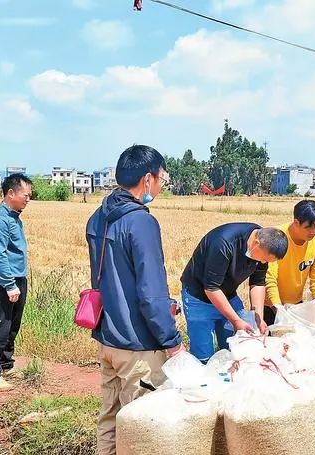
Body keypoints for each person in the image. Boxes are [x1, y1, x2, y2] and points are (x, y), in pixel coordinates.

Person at [86, 145, 184, 455]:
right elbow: (150, 292)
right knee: (145, 431)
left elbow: (108, 279)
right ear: (146, 179)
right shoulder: (141, 222)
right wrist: (172, 342)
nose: (161, 184)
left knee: (111, 420)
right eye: (161, 178)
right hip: (137, 346)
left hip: (108, 339)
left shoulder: (97, 217)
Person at [181, 223, 288, 362]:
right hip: (199, 297)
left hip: (228, 294)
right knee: (204, 355)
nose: (263, 262)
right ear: (256, 243)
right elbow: (211, 288)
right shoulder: (223, 243)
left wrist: (258, 317)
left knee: (235, 349)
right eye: (263, 259)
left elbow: (258, 282)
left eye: (266, 261)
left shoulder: (264, 245)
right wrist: (236, 320)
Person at [0, 174, 32, 392]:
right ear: (11, 193)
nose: (28, 199)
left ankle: (5, 364)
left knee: (12, 326)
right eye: (25, 195)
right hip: (3, 283)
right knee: (0, 326)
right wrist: (10, 284)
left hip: (17, 279)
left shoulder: (13, 217)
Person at [264, 200, 315, 326]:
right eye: (308, 227)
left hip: (295, 304)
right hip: (269, 305)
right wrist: (278, 308)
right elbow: (269, 278)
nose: (313, 232)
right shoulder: (277, 238)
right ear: (296, 222)